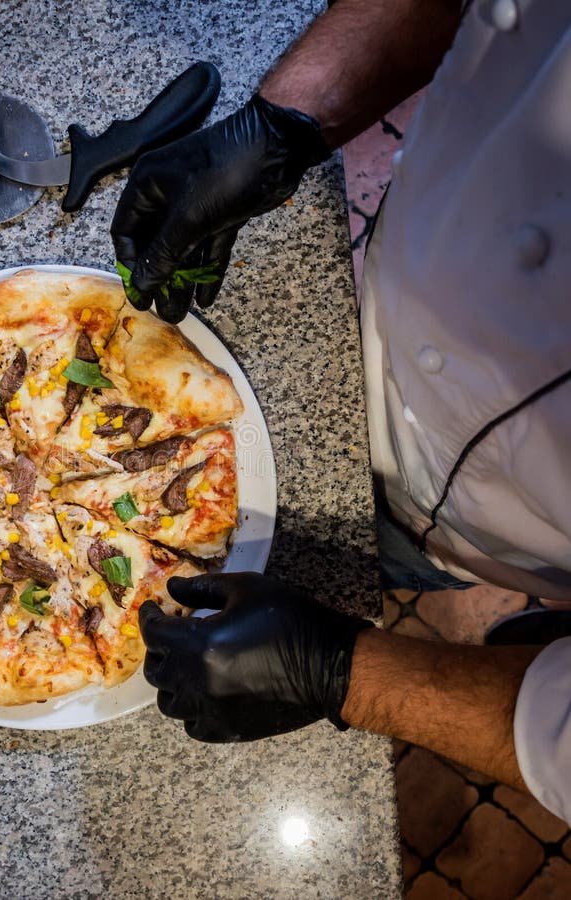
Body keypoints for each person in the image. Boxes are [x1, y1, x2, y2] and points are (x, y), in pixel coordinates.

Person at [110, 0, 571, 825]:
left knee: (416, 568)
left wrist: (342, 671)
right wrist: (289, 119)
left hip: (510, 529)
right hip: (391, 300)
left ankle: (482, 611)